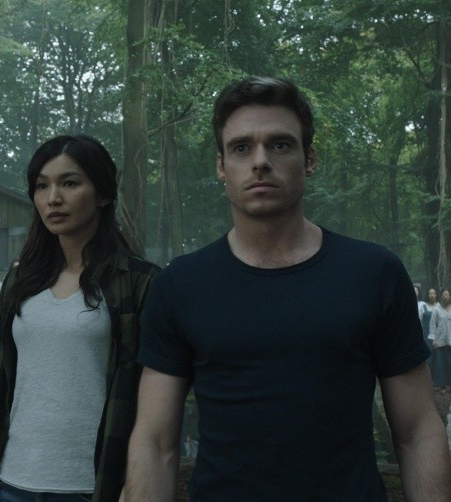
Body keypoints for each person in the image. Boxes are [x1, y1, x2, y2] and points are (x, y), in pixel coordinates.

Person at [124, 76, 451, 500]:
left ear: (309, 159)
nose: (260, 161)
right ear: (221, 166)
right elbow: (155, 443)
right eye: (241, 148)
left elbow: (417, 431)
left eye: (279, 145)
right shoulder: (180, 284)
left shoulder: (373, 273)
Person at [0, 134, 159, 501]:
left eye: (69, 183)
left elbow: (150, 405)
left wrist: (133, 486)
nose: (53, 198)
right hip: (11, 482)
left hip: (91, 485)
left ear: (102, 194)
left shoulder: (139, 282)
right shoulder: (21, 280)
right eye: (42, 186)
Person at [428, 288, 451, 390]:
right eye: (444, 295)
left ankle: (449, 384)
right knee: (440, 363)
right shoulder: (437, 310)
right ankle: (441, 384)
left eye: (447, 295)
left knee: (449, 362)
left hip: (450, 340)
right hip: (440, 340)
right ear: (441, 296)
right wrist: (433, 338)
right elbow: (432, 325)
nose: (446, 297)